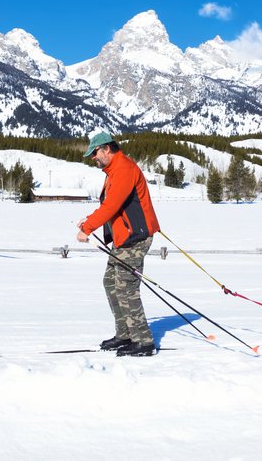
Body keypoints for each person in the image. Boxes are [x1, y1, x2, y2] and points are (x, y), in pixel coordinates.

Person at [76, 132, 160, 357]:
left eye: (94, 153)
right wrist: (90, 219)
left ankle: (143, 341)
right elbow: (111, 205)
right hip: (124, 238)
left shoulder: (123, 169)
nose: (93, 157)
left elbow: (112, 205)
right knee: (110, 282)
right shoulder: (113, 171)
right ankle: (125, 335)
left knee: (125, 286)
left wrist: (88, 228)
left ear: (106, 149)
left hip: (136, 237)